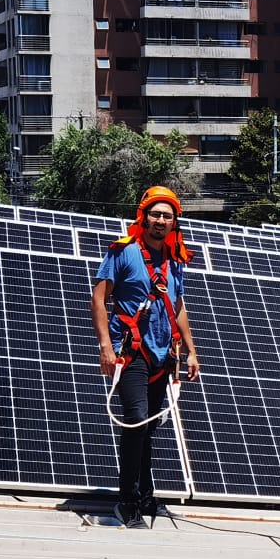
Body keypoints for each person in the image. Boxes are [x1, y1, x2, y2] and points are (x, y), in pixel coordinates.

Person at [91, 186, 200, 525]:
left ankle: (147, 496)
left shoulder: (174, 258)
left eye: (167, 216)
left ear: (174, 221)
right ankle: (127, 501)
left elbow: (178, 307)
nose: (161, 220)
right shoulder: (122, 252)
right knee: (136, 420)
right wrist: (105, 347)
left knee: (149, 425)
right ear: (144, 216)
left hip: (163, 354)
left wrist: (191, 351)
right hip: (132, 351)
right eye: (155, 214)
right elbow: (99, 299)